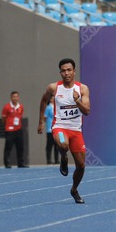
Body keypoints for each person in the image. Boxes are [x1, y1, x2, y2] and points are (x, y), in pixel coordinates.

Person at [38, 58, 90, 204]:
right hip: (59, 126)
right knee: (63, 145)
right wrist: (41, 121)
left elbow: (87, 111)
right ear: (60, 72)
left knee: (81, 166)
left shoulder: (82, 89)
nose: (66, 73)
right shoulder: (53, 88)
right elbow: (43, 101)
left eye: (69, 70)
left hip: (76, 130)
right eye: (63, 71)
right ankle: (63, 158)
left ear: (74, 71)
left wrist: (77, 101)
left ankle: (74, 189)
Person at [1, 91, 26, 168]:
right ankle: (7, 163)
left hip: (18, 129)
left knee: (20, 147)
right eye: (13, 97)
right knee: (8, 147)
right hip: (9, 130)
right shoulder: (7, 107)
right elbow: (3, 118)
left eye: (16, 97)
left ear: (18, 98)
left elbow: (20, 116)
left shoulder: (21, 107)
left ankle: (20, 163)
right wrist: (7, 126)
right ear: (11, 97)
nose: (15, 98)